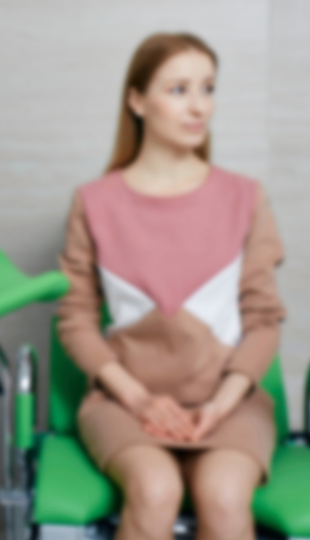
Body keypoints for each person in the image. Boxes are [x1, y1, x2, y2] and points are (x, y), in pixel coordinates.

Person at [58, 33, 284, 540]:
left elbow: (264, 322)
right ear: (137, 100)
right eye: (179, 89)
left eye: (207, 88)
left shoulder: (245, 198)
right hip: (124, 401)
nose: (199, 105)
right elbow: (75, 321)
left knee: (226, 498)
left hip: (228, 401)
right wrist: (139, 400)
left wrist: (219, 406)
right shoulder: (94, 202)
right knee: (155, 492)